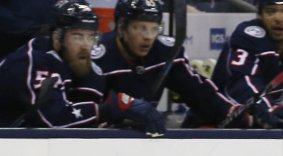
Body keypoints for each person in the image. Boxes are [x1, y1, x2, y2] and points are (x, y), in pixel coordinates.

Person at [0, 0, 164, 135]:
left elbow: (83, 120)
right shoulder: (35, 61)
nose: (86, 46)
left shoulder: (86, 68)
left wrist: (121, 120)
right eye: (77, 36)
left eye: (91, 37)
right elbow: (53, 119)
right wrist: (111, 108)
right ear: (57, 37)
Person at [93, 0, 250, 129]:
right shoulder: (100, 56)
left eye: (154, 29)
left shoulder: (166, 51)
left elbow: (198, 92)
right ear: (121, 28)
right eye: (140, 28)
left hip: (146, 136)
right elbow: (88, 109)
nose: (148, 37)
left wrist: (234, 114)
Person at [208, 0, 283, 129]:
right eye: (270, 11)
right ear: (259, 15)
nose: (278, 18)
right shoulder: (245, 37)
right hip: (221, 124)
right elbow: (242, 83)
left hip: (282, 132)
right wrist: (272, 109)